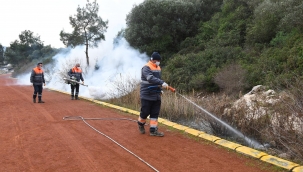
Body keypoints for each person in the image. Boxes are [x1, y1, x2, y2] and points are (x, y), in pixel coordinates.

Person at [137, 52, 169, 137]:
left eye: (159, 60)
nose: (158, 62)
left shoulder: (158, 68)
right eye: (157, 60)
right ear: (153, 59)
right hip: (147, 94)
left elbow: (157, 80)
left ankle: (153, 130)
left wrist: (160, 89)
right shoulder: (146, 68)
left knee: (155, 113)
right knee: (145, 112)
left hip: (156, 94)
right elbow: (150, 78)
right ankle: (140, 124)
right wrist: (162, 83)